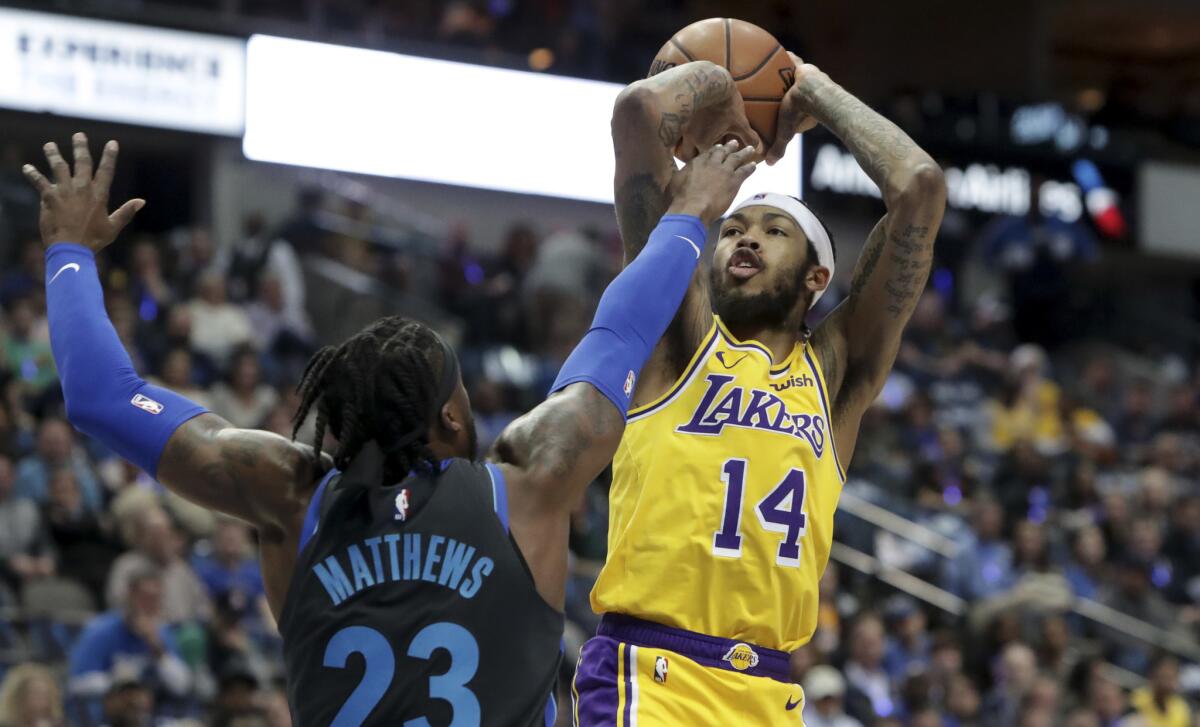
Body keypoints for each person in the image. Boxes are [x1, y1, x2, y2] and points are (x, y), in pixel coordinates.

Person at [24, 132, 756, 726]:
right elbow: (619, 333)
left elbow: (100, 396)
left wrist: (69, 252)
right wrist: (690, 212)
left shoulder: (288, 492)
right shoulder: (527, 478)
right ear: (450, 414)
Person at [574, 51, 946, 724]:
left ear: (816, 279)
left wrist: (811, 88)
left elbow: (919, 185)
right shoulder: (678, 334)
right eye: (735, 228)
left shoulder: (835, 377)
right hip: (653, 673)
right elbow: (637, 112)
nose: (745, 239)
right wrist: (723, 88)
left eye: (774, 232)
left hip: (770, 692)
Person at [68, 568, 192, 722]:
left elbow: (181, 685)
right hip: (108, 716)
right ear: (130, 596)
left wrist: (157, 648)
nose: (150, 605)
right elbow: (78, 682)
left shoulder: (163, 634)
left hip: (151, 716)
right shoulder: (100, 630)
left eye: (156, 599)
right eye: (145, 598)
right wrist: (122, 686)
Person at [0, 662, 64, 727]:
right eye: (36, 694)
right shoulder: (5, 724)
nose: (44, 701)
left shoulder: (56, 723)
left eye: (46, 694)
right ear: (19, 698)